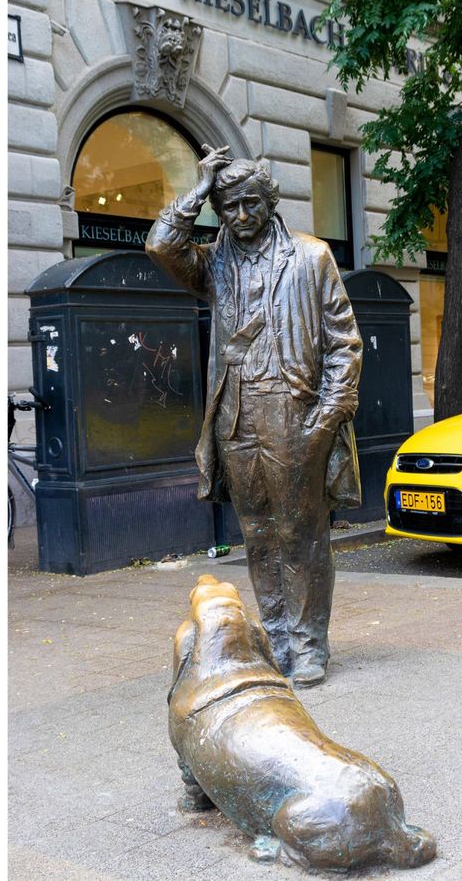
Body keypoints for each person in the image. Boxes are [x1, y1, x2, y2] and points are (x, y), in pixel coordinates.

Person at [146, 144, 362, 688]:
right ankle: (276, 638)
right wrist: (199, 188)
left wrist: (326, 416)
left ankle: (309, 644)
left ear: (270, 201)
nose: (239, 216)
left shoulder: (311, 258)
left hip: (293, 413)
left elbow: (344, 344)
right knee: (259, 533)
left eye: (249, 204)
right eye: (228, 207)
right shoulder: (213, 261)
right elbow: (161, 244)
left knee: (302, 532)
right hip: (235, 416)